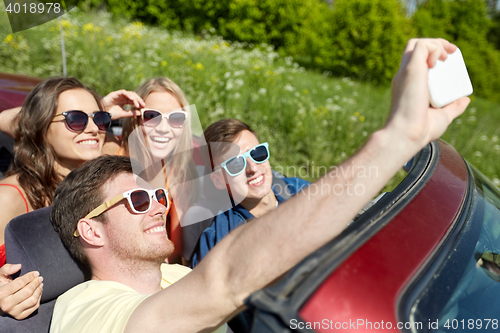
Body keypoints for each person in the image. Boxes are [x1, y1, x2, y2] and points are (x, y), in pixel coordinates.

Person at [47, 38, 470, 333]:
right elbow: (223, 278)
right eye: (139, 199)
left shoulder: (176, 253)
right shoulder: (90, 307)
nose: (158, 205)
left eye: (157, 197)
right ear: (90, 228)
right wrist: (395, 141)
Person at [189, 119, 309, 267]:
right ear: (219, 181)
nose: (252, 168)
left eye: (257, 153)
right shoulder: (220, 243)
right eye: (235, 164)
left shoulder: (301, 190)